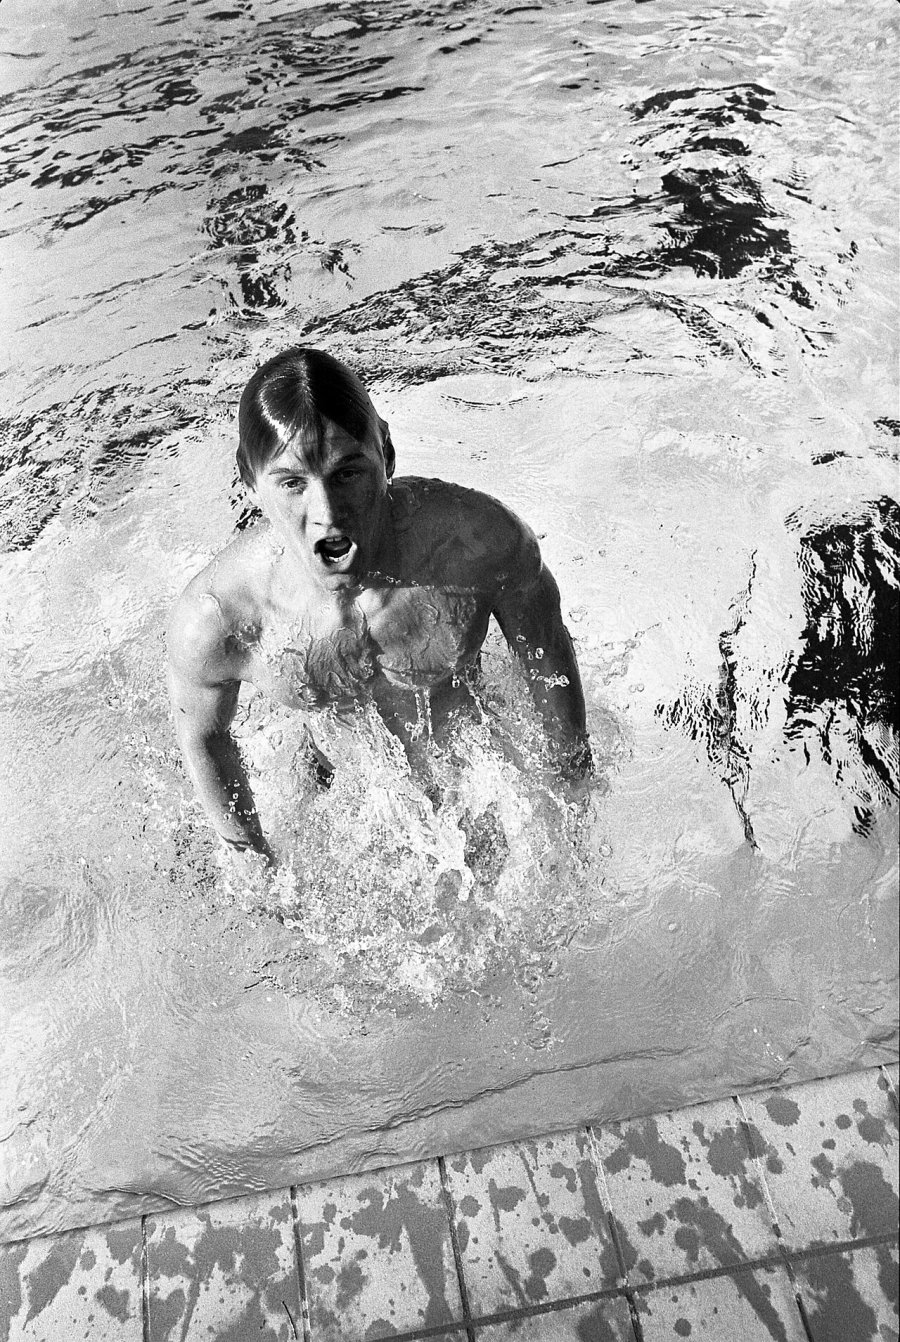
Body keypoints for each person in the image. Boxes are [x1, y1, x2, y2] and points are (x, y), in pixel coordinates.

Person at [167, 347, 591, 866]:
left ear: (386, 453)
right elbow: (204, 735)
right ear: (250, 479)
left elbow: (546, 652)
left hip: (469, 766)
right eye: (293, 483)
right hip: (328, 783)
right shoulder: (219, 619)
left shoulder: (477, 545)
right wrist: (255, 861)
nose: (327, 513)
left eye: (347, 473)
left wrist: (571, 786)